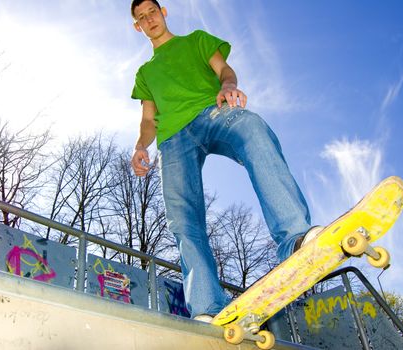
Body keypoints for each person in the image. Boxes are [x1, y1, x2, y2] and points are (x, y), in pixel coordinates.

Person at [129, 0, 320, 322]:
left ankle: (295, 237)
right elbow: (149, 118)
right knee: (182, 217)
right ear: (137, 26)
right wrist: (140, 146)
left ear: (164, 12)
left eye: (152, 12)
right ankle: (206, 306)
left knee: (252, 127)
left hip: (212, 113)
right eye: (141, 18)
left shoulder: (197, 40)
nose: (149, 20)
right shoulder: (145, 73)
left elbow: (224, 70)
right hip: (173, 140)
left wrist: (229, 85)